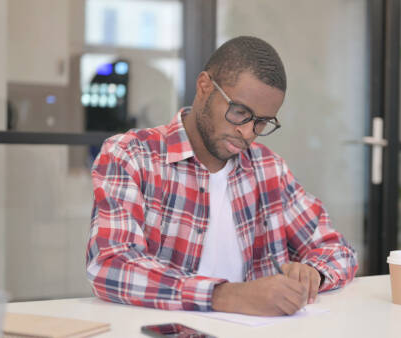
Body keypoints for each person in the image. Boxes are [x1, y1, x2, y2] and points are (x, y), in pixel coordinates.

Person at [86, 36, 358, 316]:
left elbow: (337, 250)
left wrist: (313, 274)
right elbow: (110, 264)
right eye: (240, 112)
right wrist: (227, 295)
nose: (248, 132)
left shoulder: (268, 168)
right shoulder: (132, 156)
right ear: (204, 86)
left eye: (262, 122)